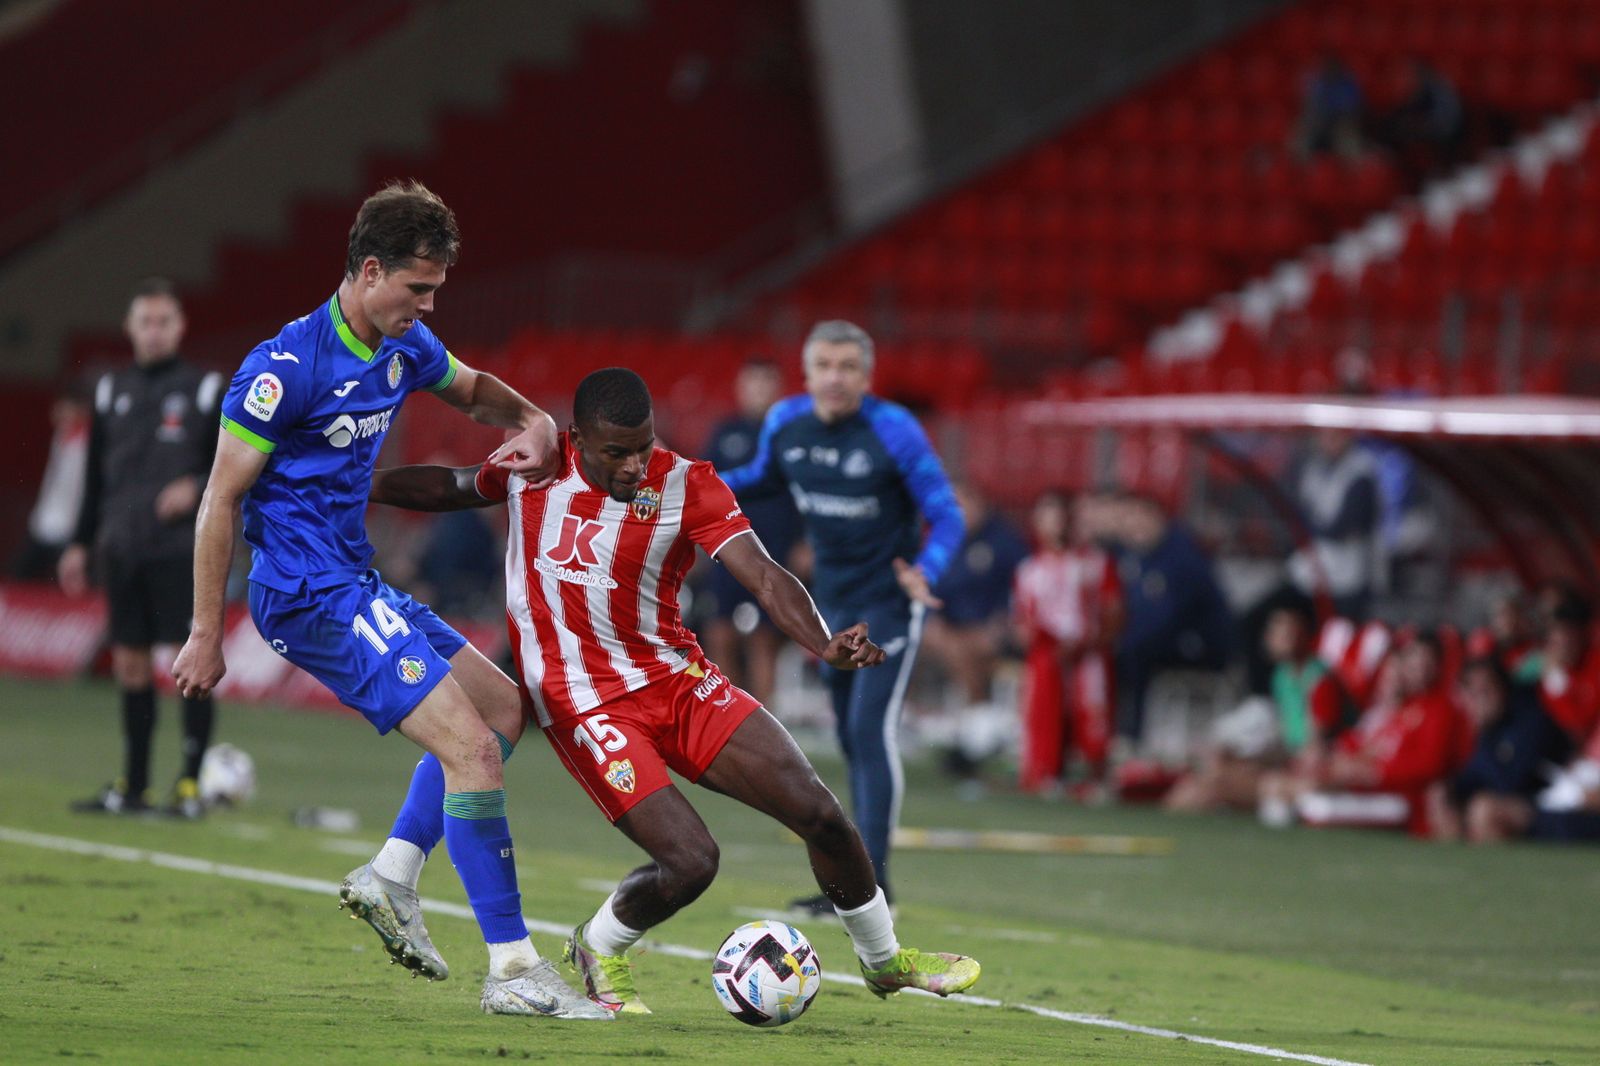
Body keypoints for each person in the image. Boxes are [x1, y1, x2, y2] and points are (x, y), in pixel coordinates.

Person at [365, 367, 981, 1014]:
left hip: (677, 680)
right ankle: (600, 944)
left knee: (821, 814)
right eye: (616, 452)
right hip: (584, 701)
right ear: (578, 438)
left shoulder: (688, 484)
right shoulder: (538, 465)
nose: (635, 464)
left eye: (643, 445)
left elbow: (765, 577)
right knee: (691, 861)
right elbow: (455, 487)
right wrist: (356, 488)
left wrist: (821, 641)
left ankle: (885, 963)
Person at [168, 181, 606, 1021]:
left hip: (354, 578)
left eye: (435, 289)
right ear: (369, 272)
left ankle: (392, 874)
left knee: (505, 710)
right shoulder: (284, 369)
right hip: (303, 591)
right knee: (471, 751)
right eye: (417, 288)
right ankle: (513, 968)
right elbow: (220, 500)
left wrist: (534, 418)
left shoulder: (403, 346)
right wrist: (203, 632)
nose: (427, 304)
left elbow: (474, 390)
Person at [719, 320, 965, 916]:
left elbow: (947, 514)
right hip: (827, 606)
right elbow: (758, 480)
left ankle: (875, 889)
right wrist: (680, 484)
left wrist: (926, 570)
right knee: (849, 739)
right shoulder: (785, 423)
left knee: (867, 730)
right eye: (824, 365)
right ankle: (855, 883)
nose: (835, 377)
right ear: (806, 374)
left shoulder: (895, 430)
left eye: (847, 367)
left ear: (866, 375)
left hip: (886, 603)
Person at [56, 279, 223, 817]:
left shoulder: (204, 388)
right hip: (121, 547)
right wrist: (80, 543)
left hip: (180, 551)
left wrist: (193, 484)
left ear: (179, 327)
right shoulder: (109, 391)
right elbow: (94, 479)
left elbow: (232, 466)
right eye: (145, 322)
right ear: (131, 328)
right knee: (129, 665)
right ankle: (135, 785)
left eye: (163, 322)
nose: (154, 331)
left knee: (188, 666)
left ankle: (190, 786)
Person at [1166, 598, 1344, 813]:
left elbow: (1313, 750)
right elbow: (1288, 743)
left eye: (1285, 629)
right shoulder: (1282, 677)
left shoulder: (1318, 681)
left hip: (1310, 774)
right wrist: (1242, 756)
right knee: (1214, 768)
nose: (1275, 636)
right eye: (1274, 629)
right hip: (1289, 764)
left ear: (1304, 632)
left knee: (1216, 782)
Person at [699, 358, 799, 707]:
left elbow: (806, 495)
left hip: (775, 549)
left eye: (764, 383)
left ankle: (766, 719)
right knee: (720, 632)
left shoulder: (791, 436)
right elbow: (704, 486)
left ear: (778, 390)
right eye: (751, 383)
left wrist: (805, 542)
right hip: (727, 548)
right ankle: (728, 715)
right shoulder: (726, 432)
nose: (757, 391)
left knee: (762, 637)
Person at [1011, 489, 1121, 794]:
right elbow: (1022, 618)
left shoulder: (1094, 564)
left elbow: (1113, 611)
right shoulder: (1030, 569)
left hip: (1088, 655)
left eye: (1058, 516)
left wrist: (1090, 642)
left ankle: (1096, 774)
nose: (1053, 524)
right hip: (1046, 656)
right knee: (1045, 708)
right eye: (1045, 516)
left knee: (1091, 710)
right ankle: (1046, 771)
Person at [1110, 493, 1233, 745]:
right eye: (1127, 519)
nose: (1132, 526)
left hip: (1200, 644)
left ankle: (1132, 733)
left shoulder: (1181, 557)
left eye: (1138, 518)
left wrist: (1123, 638)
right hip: (1158, 639)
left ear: (1157, 518)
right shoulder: (1134, 556)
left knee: (1135, 650)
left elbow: (1167, 618)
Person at [1427, 657, 1571, 843]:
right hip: (1516, 803)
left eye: (1486, 691)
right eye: (1473, 693)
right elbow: (1474, 775)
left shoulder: (1529, 721)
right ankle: (1450, 867)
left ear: (1503, 689)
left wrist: (1482, 731)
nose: (1479, 700)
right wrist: (1450, 790)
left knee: (1484, 809)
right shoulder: (1488, 729)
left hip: (1551, 806)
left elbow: (1511, 783)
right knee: (1440, 797)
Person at [920, 481, 1030, 714]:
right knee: (914, 638)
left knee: (963, 649)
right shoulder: (945, 541)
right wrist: (933, 618)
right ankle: (916, 713)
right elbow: (929, 587)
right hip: (951, 629)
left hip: (992, 629)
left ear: (980, 504)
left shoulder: (1005, 541)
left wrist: (1004, 622)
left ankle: (975, 711)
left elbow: (1024, 585)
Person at [12, 382, 90, 580]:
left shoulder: (87, 444)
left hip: (67, 529)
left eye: (65, 408)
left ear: (80, 409)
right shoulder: (61, 437)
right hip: (43, 524)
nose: (58, 413)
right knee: (18, 575)